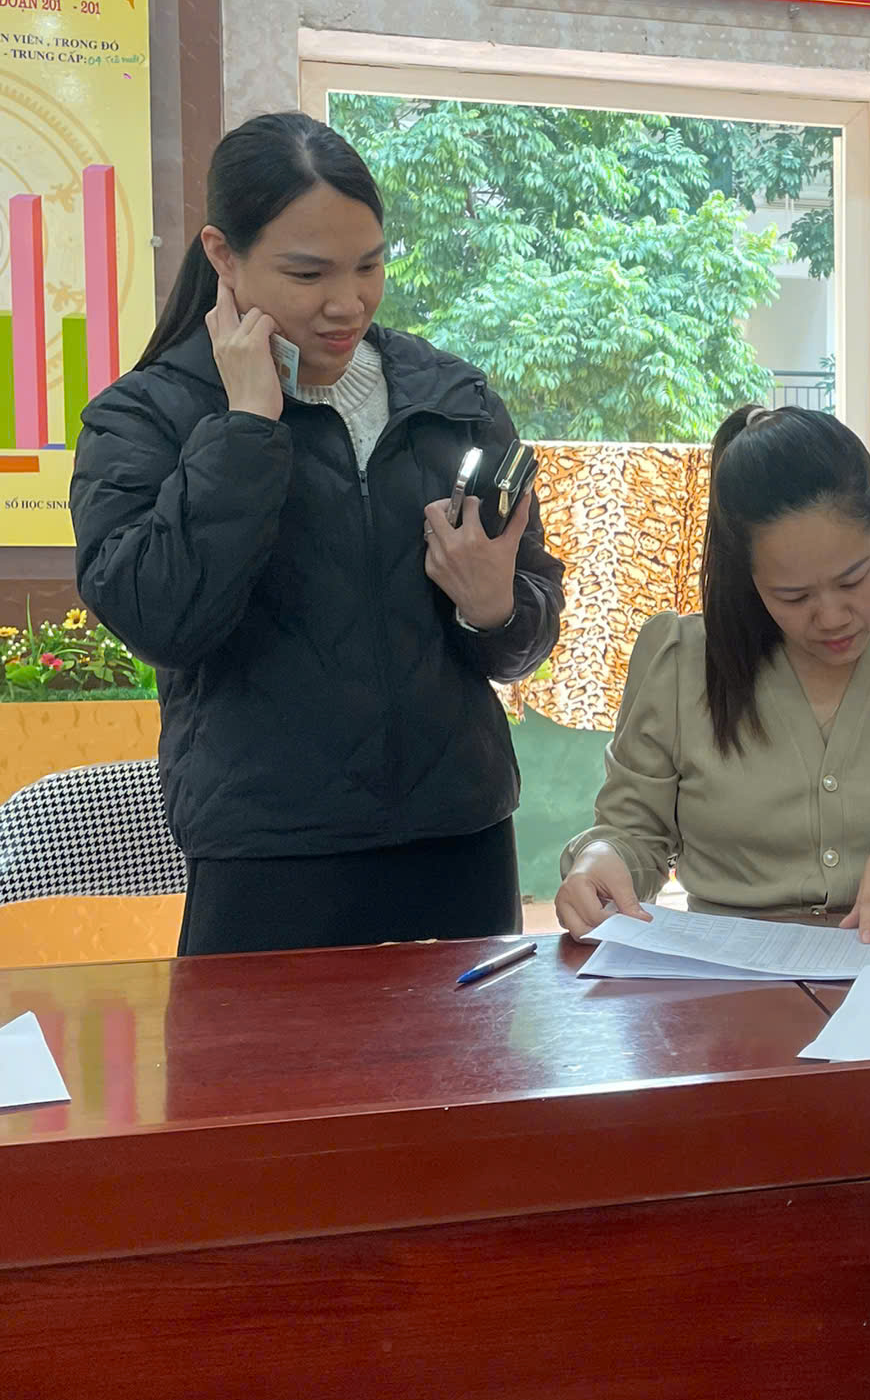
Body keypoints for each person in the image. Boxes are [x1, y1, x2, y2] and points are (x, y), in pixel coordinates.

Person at [73, 111, 563, 956]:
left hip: (462, 846)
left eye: (369, 265)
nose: (348, 303)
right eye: (307, 274)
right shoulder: (146, 415)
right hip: (269, 863)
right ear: (223, 255)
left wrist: (495, 608)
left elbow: (525, 634)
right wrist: (245, 427)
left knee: (465, 1051)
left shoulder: (451, 399)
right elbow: (160, 620)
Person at [556, 404, 870, 944]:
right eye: (794, 596)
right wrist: (601, 858)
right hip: (721, 979)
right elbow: (632, 834)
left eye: (853, 580)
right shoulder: (680, 661)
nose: (831, 617)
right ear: (750, 576)